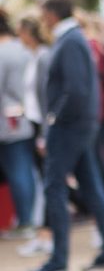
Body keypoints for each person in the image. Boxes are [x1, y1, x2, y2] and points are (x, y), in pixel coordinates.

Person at [29, 0, 104, 271]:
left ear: (53, 14)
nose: (42, 19)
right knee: (91, 186)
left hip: (71, 126)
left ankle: (59, 260)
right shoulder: (73, 39)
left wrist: (55, 118)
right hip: (78, 124)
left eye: (44, 13)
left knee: (54, 187)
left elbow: (76, 89)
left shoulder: (70, 40)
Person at [15, 16, 53, 257]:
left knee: (51, 181)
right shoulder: (34, 57)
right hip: (35, 123)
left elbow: (47, 98)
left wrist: (45, 135)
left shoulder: (43, 57)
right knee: (47, 181)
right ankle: (45, 234)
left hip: (42, 126)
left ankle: (47, 234)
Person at [0, 11, 38, 241]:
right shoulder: (23, 49)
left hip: (8, 119)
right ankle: (28, 217)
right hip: (26, 114)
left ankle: (25, 220)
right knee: (25, 169)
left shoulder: (3, 53)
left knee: (17, 170)